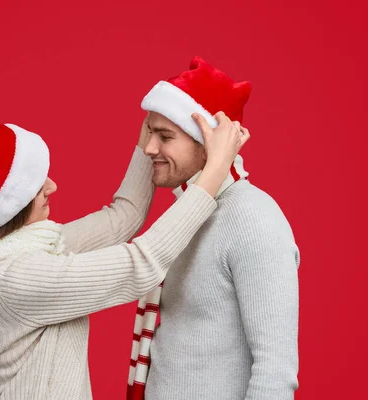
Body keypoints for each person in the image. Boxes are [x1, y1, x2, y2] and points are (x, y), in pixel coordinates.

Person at [0, 108, 249, 400]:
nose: (52, 186)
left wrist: (152, 121)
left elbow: (122, 218)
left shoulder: (25, 248)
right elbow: (142, 263)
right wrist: (215, 170)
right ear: (7, 207)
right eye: (38, 186)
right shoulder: (11, 280)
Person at [127, 57, 300, 400]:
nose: (149, 148)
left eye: (165, 136)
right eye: (149, 132)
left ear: (207, 144)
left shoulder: (253, 218)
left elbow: (275, 370)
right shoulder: (186, 214)